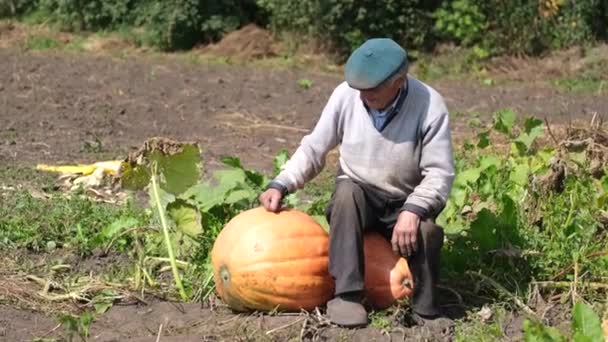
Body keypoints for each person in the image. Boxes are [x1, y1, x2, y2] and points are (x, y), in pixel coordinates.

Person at [259, 38, 455, 328]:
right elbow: (315, 148)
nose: (363, 97)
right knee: (346, 194)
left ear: (398, 82)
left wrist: (413, 210)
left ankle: (425, 308)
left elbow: (440, 172)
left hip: (405, 201)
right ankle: (347, 296)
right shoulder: (346, 96)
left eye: (372, 91)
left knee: (426, 231)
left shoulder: (429, 104)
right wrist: (282, 183)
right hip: (360, 196)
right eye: (359, 90)